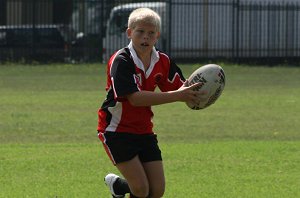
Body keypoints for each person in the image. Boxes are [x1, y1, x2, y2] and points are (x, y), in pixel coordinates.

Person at [97, 7, 205, 198]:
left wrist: (202, 91)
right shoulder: (121, 60)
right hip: (116, 131)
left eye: (151, 33)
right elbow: (135, 98)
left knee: (156, 191)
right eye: (140, 32)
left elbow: (181, 86)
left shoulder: (162, 61)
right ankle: (123, 186)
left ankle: (118, 187)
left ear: (157, 36)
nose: (145, 37)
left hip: (144, 130)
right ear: (129, 33)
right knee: (141, 189)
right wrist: (177, 95)